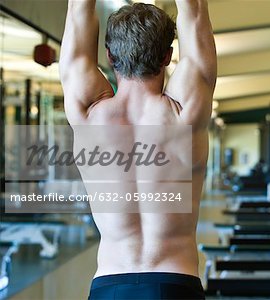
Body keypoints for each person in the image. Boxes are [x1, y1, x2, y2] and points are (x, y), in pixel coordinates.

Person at [59, 0, 216, 299]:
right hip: (175, 283)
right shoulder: (185, 113)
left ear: (109, 55)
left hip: (110, 286)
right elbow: (193, 12)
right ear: (169, 56)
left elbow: (79, 10)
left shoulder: (88, 113)